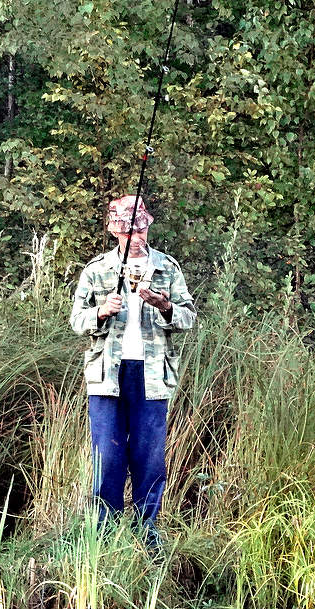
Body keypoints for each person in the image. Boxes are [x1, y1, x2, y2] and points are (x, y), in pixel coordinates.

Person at [69, 195, 196, 543]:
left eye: (139, 229)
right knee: (107, 456)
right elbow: (77, 321)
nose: (134, 237)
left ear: (147, 226)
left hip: (153, 376)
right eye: (127, 232)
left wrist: (164, 305)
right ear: (115, 232)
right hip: (106, 377)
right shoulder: (96, 269)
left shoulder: (167, 267)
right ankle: (105, 534)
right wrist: (101, 312)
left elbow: (188, 317)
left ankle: (147, 531)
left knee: (149, 456)